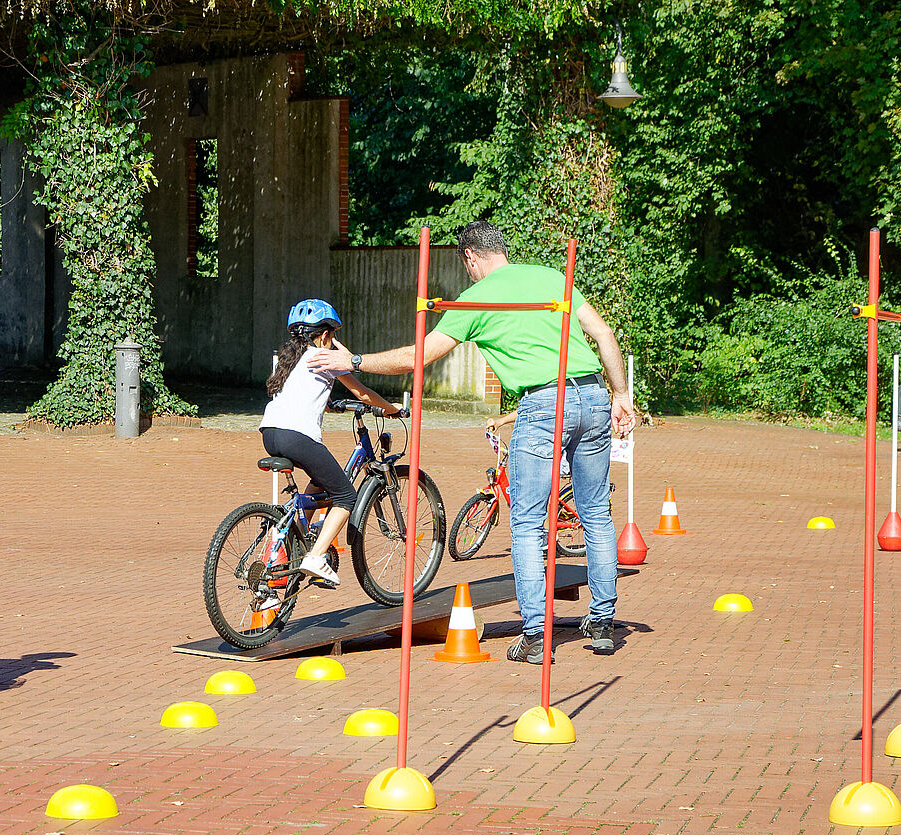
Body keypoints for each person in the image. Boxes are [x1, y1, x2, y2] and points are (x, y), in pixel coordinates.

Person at [310, 221, 635, 662]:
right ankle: (601, 624)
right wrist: (621, 395)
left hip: (542, 404)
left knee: (526, 522)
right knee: (596, 511)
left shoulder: (475, 300)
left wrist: (355, 360)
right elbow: (604, 334)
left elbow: (417, 358)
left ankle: (537, 635)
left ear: (470, 258)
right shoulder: (550, 278)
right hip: (593, 395)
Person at [260, 299, 403, 588]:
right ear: (324, 335)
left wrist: (332, 405)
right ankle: (315, 557)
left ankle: (291, 543)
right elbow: (363, 394)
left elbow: (302, 396)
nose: (335, 341)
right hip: (297, 436)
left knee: (321, 479)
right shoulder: (325, 358)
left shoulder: (291, 360)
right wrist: (391, 409)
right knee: (346, 496)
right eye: (333, 335)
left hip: (270, 433)